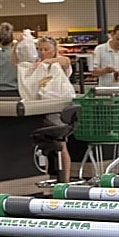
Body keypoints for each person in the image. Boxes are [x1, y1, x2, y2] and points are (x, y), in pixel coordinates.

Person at [35, 35, 73, 180]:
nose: (43, 52)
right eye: (40, 49)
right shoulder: (40, 66)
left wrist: (48, 61)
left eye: (46, 49)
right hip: (41, 110)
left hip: (57, 111)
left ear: (54, 50)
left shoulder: (58, 65)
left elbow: (66, 61)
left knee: (61, 145)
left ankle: (66, 180)